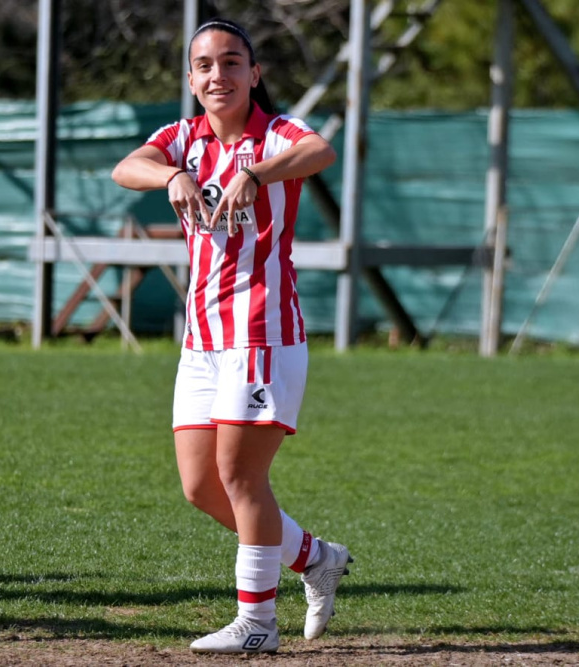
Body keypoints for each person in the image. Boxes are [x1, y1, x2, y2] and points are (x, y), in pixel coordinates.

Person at [112, 18, 352, 654]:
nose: (218, 75)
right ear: (191, 80)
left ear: (254, 73)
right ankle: (316, 558)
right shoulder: (183, 138)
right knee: (201, 486)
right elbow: (126, 168)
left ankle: (257, 625)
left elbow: (322, 150)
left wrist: (261, 173)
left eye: (232, 62)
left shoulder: (274, 134)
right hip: (202, 339)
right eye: (205, 66)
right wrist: (169, 176)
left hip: (263, 331)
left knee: (241, 476)